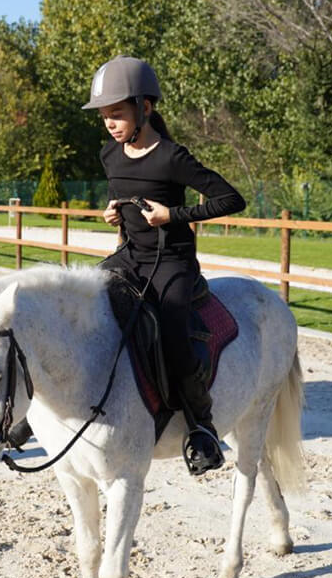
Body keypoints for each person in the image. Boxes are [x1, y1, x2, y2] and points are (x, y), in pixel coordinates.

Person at [87, 55, 246, 476]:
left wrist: (172, 216)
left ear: (145, 107)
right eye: (104, 116)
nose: (109, 123)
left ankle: (201, 429)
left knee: (173, 329)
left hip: (172, 263)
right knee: (83, 303)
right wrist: (114, 214)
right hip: (130, 257)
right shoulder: (110, 154)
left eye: (116, 114)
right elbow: (121, 198)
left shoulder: (173, 157)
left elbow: (232, 199)